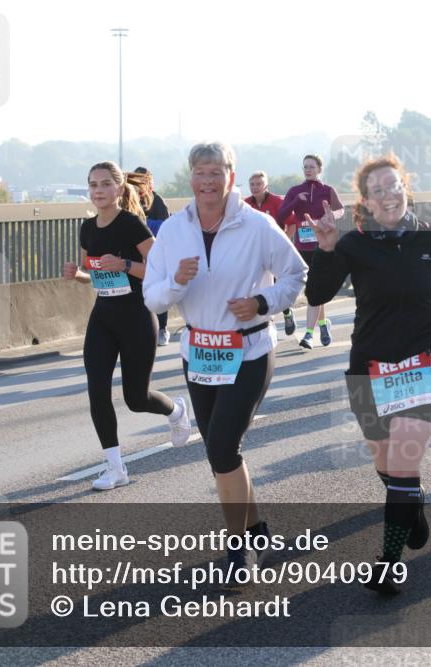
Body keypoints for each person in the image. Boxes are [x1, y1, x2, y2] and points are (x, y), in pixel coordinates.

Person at [306, 155, 431, 594]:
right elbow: (318, 292)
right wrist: (324, 250)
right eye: (377, 190)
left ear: (406, 187)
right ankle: (412, 503)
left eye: (393, 185)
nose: (387, 195)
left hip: (425, 362)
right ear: (366, 201)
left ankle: (388, 562)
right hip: (369, 364)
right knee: (383, 457)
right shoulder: (352, 245)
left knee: (402, 459)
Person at [143, 142, 307, 572]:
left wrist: (262, 301)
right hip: (199, 352)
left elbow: (295, 274)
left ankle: (239, 550)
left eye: (217, 172)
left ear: (231, 177)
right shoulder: (174, 230)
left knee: (220, 448)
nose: (208, 180)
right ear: (190, 178)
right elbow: (152, 298)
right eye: (200, 171)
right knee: (223, 451)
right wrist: (177, 283)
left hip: (249, 349)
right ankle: (256, 530)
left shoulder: (258, 225)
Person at [62, 161, 192, 491]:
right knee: (97, 390)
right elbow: (95, 274)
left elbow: (159, 270)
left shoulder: (132, 225)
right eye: (93, 185)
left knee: (136, 398)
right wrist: (76, 274)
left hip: (136, 315)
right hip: (103, 316)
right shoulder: (87, 228)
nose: (98, 191)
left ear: (118, 190)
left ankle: (176, 410)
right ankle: (115, 467)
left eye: (105, 184)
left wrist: (125, 264)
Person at [276, 155, 345, 348]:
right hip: (302, 246)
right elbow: (281, 215)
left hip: (321, 246)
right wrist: (295, 202)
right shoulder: (295, 191)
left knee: (314, 288)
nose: (308, 170)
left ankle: (308, 334)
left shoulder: (327, 190)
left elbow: (341, 210)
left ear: (319, 169)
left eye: (311, 167)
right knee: (314, 290)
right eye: (305, 167)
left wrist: (329, 215)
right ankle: (323, 324)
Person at [246, 171, 300, 334]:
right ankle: (264, 319)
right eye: (252, 185)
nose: (255, 188)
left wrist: (281, 243)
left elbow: (292, 224)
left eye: (259, 184)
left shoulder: (278, 202)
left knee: (276, 283)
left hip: (275, 251)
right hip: (255, 251)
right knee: (257, 284)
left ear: (266, 186)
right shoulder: (246, 204)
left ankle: (286, 312)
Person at [130, 167, 174, 345]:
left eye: (143, 181)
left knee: (158, 290)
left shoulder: (158, 201)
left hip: (157, 254)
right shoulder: (130, 200)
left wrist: (142, 226)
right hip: (136, 256)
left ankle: (162, 329)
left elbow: (164, 228)